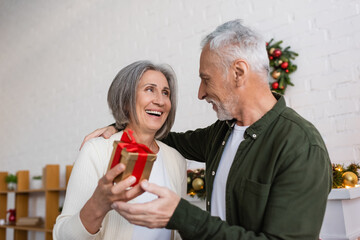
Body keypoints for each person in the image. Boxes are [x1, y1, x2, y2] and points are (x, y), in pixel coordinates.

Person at [81, 20, 332, 239]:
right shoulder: (221, 133)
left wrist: (182, 215)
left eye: (206, 79)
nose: (200, 93)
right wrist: (122, 123)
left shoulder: (301, 146)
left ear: (238, 72)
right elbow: (166, 139)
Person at [53, 60, 187, 240]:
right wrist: (97, 206)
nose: (160, 101)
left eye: (166, 93)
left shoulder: (176, 160)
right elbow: (63, 236)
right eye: (149, 89)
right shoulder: (96, 150)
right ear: (125, 101)